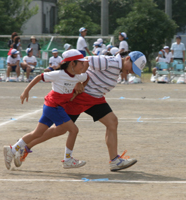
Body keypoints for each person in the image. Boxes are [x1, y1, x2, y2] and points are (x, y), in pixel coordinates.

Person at [18, 51, 146, 172]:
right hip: (80, 97)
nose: (131, 72)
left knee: (112, 122)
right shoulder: (110, 61)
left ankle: (115, 161)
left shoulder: (118, 68)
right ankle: (26, 147)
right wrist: (78, 80)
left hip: (96, 99)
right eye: (132, 68)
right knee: (60, 129)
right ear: (127, 58)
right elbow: (84, 61)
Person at [3, 49, 89, 170]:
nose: (84, 65)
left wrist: (79, 86)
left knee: (37, 133)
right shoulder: (58, 74)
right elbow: (39, 77)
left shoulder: (78, 76)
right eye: (81, 63)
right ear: (72, 64)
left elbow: (87, 77)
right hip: (54, 107)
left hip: (51, 107)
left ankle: (12, 149)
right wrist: (26, 91)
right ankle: (68, 160)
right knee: (74, 130)